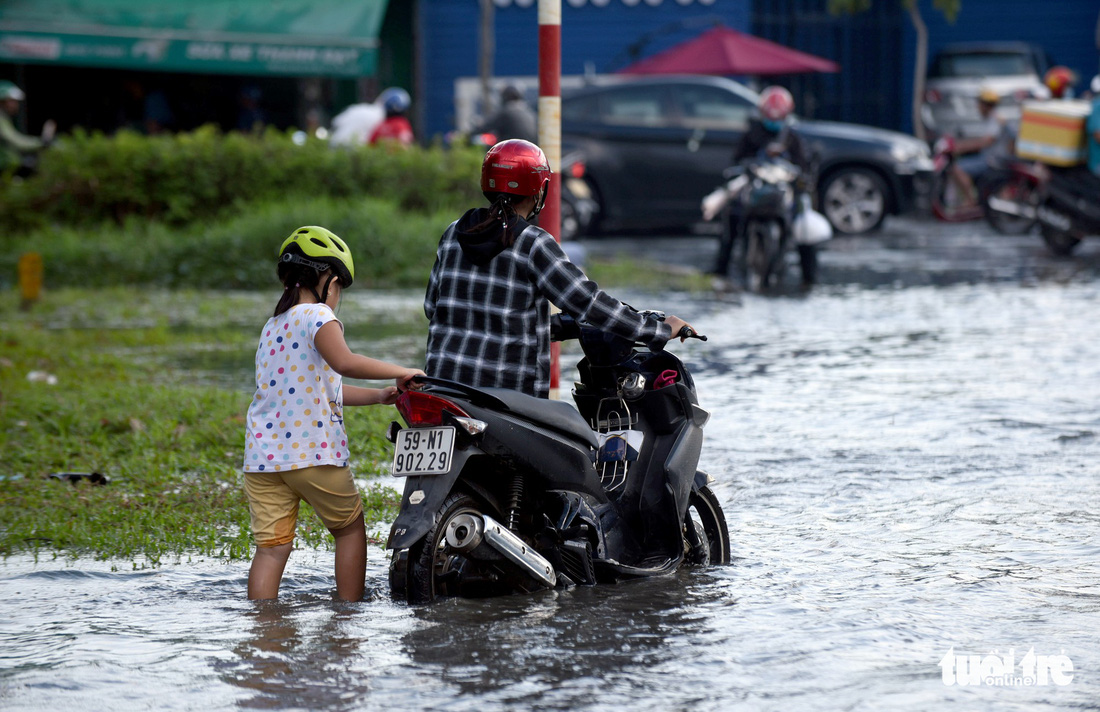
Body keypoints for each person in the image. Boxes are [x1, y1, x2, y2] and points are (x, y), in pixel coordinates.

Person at [424, 138, 695, 399]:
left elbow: (433, 308)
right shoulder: (533, 243)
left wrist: (544, 326)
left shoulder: (454, 232)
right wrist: (657, 330)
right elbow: (589, 303)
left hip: (442, 384)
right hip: (506, 395)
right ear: (538, 189)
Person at [243, 225, 424, 601]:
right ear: (325, 278)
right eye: (339, 284)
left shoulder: (271, 327)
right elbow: (345, 362)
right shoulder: (318, 316)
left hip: (263, 461)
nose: (338, 294)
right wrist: (401, 371)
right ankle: (349, 610)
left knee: (272, 549)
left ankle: (263, 626)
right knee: (349, 529)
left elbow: (322, 390)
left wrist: (378, 396)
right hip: (311, 454)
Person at [715, 85, 816, 285]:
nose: (774, 122)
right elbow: (737, 160)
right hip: (753, 192)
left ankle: (809, 279)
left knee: (805, 232)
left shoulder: (792, 138)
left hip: (784, 195)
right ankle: (720, 272)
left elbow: (804, 165)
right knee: (731, 221)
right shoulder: (752, 135)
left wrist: (801, 178)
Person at [950, 87, 1017, 205]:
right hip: (992, 158)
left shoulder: (995, 120)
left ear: (986, 105)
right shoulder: (991, 118)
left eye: (980, 104)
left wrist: (961, 147)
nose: (978, 107)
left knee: (958, 168)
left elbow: (987, 141)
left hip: (993, 160)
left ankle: (970, 201)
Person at [0, 80, 55, 177]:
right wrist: (42, 142)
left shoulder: (5, 118)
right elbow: (16, 141)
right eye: (12, 101)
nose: (16, 105)